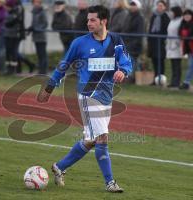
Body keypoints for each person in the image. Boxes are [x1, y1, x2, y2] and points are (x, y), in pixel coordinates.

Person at [38, 5, 132, 193]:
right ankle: (110, 182)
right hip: (88, 96)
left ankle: (59, 167)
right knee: (102, 138)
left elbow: (126, 61)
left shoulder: (116, 41)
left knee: (91, 140)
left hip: (106, 96)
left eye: (92, 20)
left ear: (103, 21)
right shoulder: (79, 43)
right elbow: (63, 65)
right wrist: (49, 86)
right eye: (88, 20)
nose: (88, 23)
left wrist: (123, 71)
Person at [147, 0, 170, 83]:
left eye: (161, 6)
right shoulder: (153, 16)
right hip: (153, 42)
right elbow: (150, 29)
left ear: (164, 7)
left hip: (160, 42)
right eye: (158, 5)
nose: (159, 7)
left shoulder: (165, 17)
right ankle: (155, 79)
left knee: (160, 60)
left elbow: (166, 30)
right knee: (154, 60)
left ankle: (161, 79)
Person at [122, 0, 144, 83]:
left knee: (132, 60)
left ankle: (131, 78)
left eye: (134, 5)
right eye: (131, 5)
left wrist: (134, 43)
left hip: (134, 44)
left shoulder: (140, 18)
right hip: (127, 42)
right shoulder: (128, 16)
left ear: (137, 7)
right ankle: (128, 76)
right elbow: (125, 29)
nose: (132, 6)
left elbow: (140, 32)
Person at [28, 0, 48, 75]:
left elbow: (45, 24)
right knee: (39, 54)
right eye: (34, 2)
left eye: (37, 2)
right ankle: (40, 70)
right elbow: (33, 23)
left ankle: (43, 71)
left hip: (41, 36)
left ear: (40, 3)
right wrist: (31, 28)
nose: (35, 4)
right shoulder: (33, 12)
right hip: (36, 36)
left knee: (42, 54)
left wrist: (36, 28)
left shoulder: (42, 12)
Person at [4, 0, 24, 75]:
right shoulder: (8, 12)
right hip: (7, 33)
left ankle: (14, 68)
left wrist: (7, 23)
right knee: (8, 51)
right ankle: (8, 68)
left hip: (15, 34)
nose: (6, 8)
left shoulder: (18, 9)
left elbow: (14, 21)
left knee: (13, 51)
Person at [166, 6, 183, 88]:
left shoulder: (180, 21)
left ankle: (177, 82)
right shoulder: (172, 21)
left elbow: (180, 32)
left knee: (177, 65)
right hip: (170, 45)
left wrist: (176, 43)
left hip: (177, 45)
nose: (171, 13)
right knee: (173, 65)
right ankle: (173, 81)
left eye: (172, 11)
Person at [179, 9, 193, 90]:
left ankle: (186, 82)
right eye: (185, 14)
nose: (187, 16)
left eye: (189, 14)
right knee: (191, 65)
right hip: (190, 49)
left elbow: (188, 35)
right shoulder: (183, 23)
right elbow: (180, 33)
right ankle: (186, 82)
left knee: (191, 66)